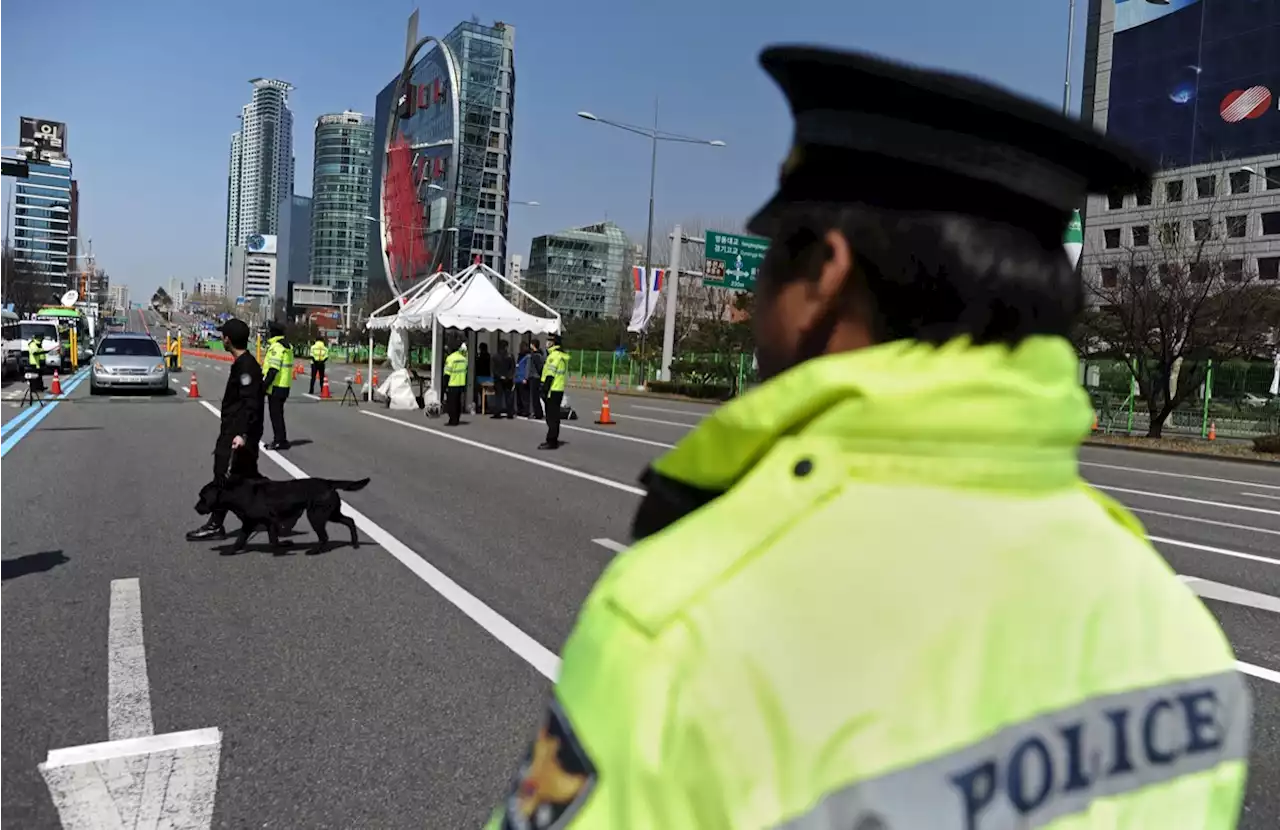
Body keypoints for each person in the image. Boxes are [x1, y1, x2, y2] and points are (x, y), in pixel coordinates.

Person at [486, 46, 1250, 829]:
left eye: (768, 268)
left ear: (823, 275)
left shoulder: (689, 618)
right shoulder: (1174, 630)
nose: (754, 306)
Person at [186, 318, 265, 542]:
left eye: (223, 335)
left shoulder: (246, 367)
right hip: (236, 430)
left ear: (228, 339)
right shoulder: (243, 364)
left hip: (237, 433)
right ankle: (277, 512)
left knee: (224, 478)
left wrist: (242, 435)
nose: (221, 338)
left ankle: (215, 525)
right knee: (248, 478)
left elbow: (252, 404)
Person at [262, 321, 293, 450]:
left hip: (276, 386)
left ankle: (279, 440)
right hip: (284, 385)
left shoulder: (277, 347)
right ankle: (282, 439)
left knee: (275, 415)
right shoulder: (287, 345)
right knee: (278, 414)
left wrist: (263, 386)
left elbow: (273, 370)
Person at [537, 334, 570, 451]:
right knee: (554, 417)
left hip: (552, 390)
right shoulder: (559, 355)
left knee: (551, 418)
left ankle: (551, 441)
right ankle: (552, 439)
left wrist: (544, 390)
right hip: (558, 389)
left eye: (549, 341)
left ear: (554, 343)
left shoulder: (554, 356)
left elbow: (550, 375)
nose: (546, 343)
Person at [443, 340, 468, 426]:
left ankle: (452, 420)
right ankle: (457, 418)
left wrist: (444, 385)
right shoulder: (463, 358)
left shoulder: (450, 358)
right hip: (461, 383)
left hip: (452, 383)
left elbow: (447, 373)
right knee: (458, 402)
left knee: (451, 403)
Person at [490, 339, 516, 419]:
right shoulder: (510, 356)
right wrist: (509, 376)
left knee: (498, 396)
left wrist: (500, 376)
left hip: (498, 379)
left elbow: (493, 369)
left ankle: (497, 412)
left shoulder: (495, 356)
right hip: (508, 379)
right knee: (508, 396)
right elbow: (513, 368)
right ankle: (510, 413)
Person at [527, 338, 546, 419]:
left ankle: (538, 413)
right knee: (535, 396)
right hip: (535, 377)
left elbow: (539, 367)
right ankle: (537, 412)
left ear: (533, 345)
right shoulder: (538, 354)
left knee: (535, 397)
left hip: (535, 377)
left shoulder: (535, 355)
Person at [474, 341, 493, 414]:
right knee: (484, 392)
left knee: (479, 391)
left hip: (480, 375)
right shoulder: (488, 356)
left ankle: (481, 405)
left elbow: (477, 365)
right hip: (487, 376)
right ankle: (484, 405)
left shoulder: (479, 356)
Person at [514, 343, 531, 417]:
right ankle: (520, 410)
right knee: (519, 396)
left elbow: (527, 368)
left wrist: (525, 378)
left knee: (524, 396)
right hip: (518, 378)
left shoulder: (527, 357)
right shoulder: (520, 356)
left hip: (522, 378)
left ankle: (525, 410)